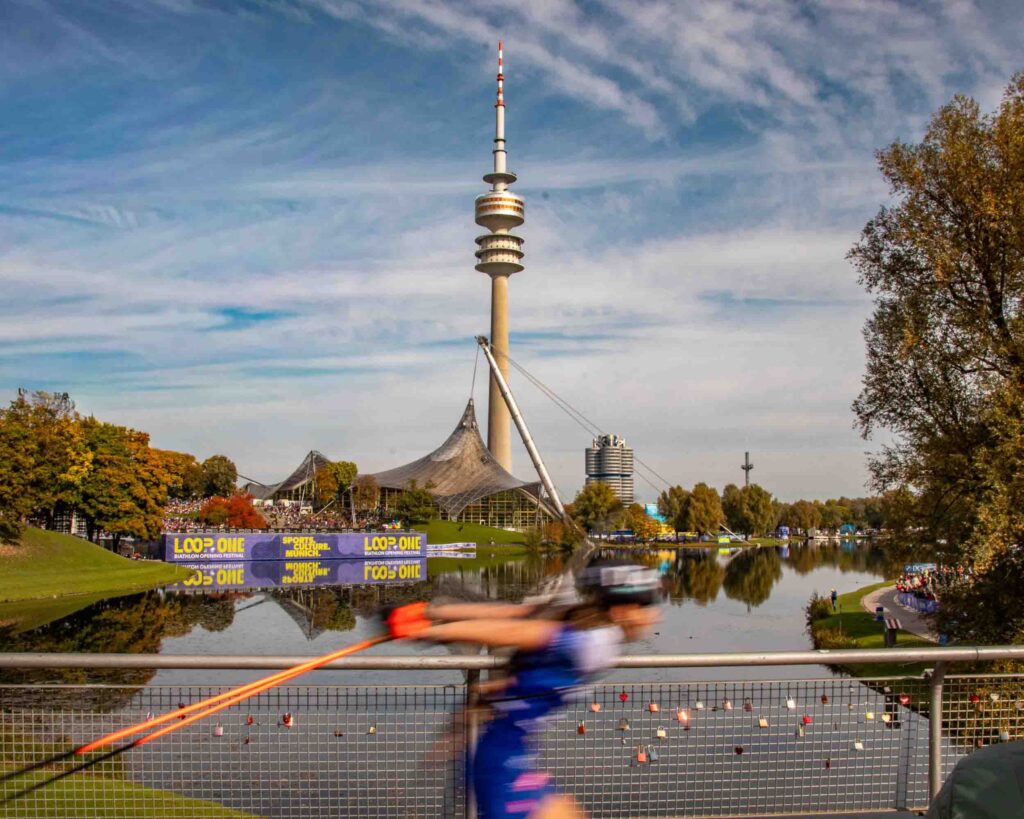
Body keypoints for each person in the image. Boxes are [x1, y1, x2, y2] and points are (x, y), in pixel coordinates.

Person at [384, 560, 663, 819]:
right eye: (646, 607)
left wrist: (429, 613)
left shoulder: (580, 623)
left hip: (511, 758)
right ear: (621, 611)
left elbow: (512, 613)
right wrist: (428, 631)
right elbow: (513, 630)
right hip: (503, 768)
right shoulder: (594, 643)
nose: (655, 617)